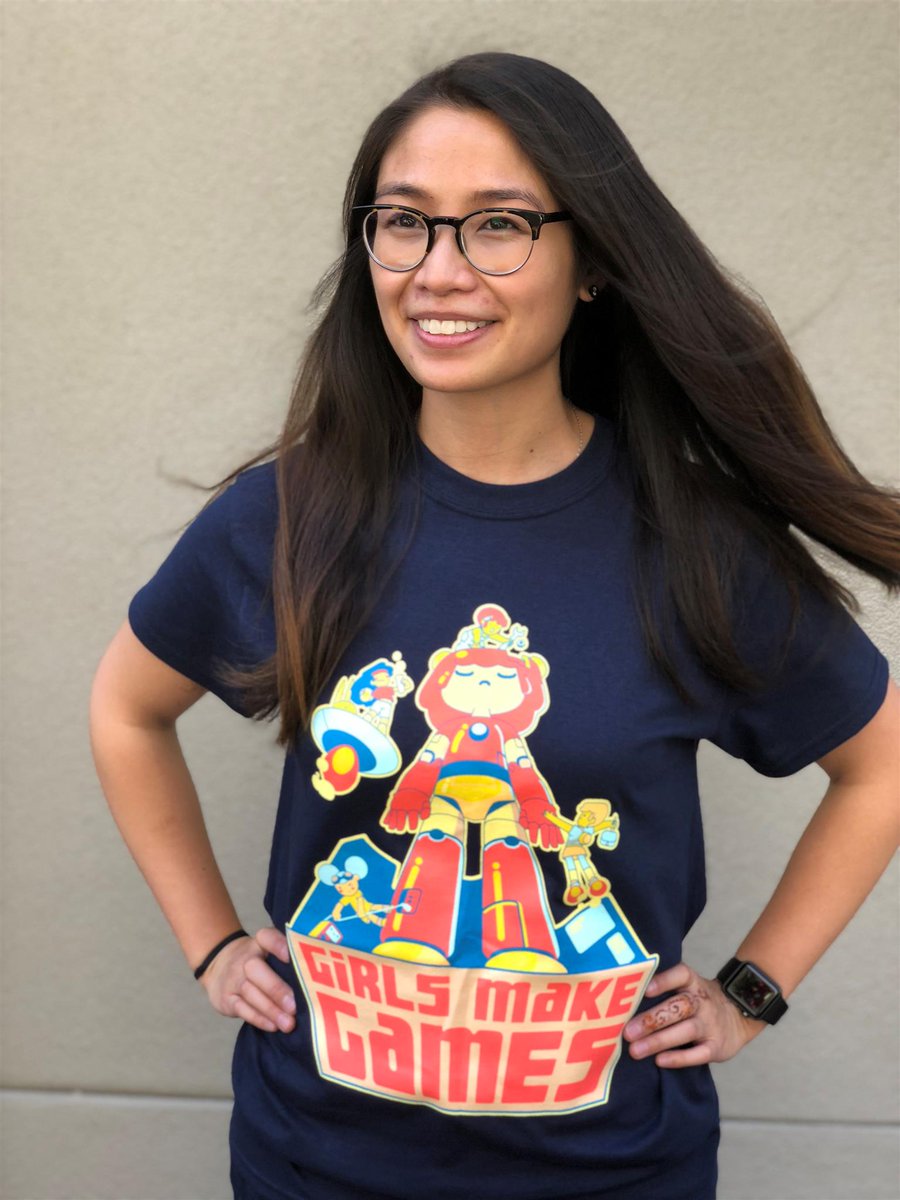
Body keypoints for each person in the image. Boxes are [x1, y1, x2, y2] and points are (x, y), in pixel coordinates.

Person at [89, 51, 899, 1200]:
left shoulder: (694, 540)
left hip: (613, 1169)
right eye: (404, 223)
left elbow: (881, 766)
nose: (439, 271)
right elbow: (127, 710)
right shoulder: (285, 517)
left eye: (499, 226)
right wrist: (213, 944)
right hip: (315, 1161)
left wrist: (752, 991)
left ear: (593, 263)